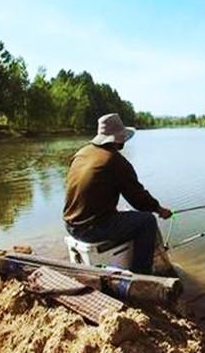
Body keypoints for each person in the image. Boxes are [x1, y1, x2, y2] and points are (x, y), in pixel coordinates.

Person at [63, 113, 172, 274]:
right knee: (147, 221)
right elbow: (138, 200)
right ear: (119, 139)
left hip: (70, 225)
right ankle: (142, 275)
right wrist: (159, 209)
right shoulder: (115, 161)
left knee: (128, 215)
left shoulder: (82, 153)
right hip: (90, 229)